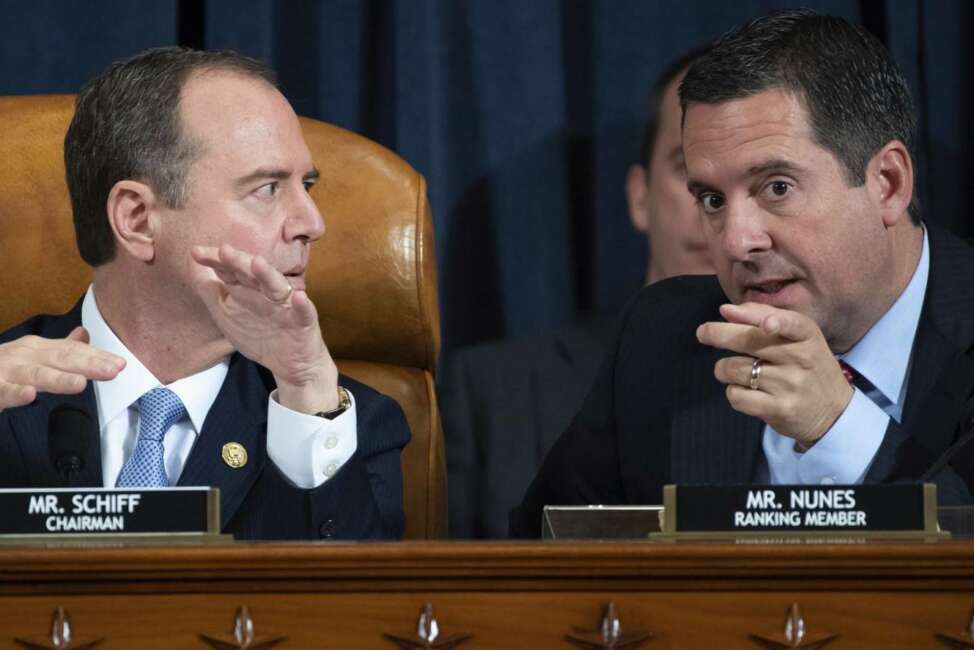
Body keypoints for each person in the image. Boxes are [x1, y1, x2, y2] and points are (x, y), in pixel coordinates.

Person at [511, 9, 974, 537]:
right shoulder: (664, 335)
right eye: (711, 198)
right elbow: (537, 560)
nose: (735, 241)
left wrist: (838, 427)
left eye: (776, 187)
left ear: (887, 183)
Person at [0, 47, 410, 540]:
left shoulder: (340, 424)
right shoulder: (7, 398)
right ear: (137, 219)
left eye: (308, 185)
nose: (312, 224)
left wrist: (306, 396)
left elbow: (358, 611)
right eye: (268, 189)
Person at [442, 48, 713, 539]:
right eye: (691, 171)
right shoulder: (495, 391)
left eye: (761, 184)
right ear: (638, 196)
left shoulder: (845, 393)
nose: (717, 212)